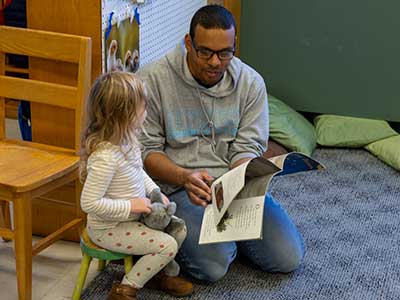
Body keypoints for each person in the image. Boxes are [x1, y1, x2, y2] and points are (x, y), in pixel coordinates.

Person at [137, 5, 304, 282]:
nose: (215, 62)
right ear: (188, 43)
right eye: (205, 52)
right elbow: (146, 152)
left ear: (235, 46)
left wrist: (243, 175)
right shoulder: (152, 80)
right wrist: (184, 176)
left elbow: (247, 147)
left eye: (225, 53)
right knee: (212, 268)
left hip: (232, 188)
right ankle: (211, 239)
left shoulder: (250, 83)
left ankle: (225, 237)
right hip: (179, 188)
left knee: (287, 257)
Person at [79, 72, 193, 300]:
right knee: (168, 245)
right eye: (143, 107)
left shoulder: (128, 139)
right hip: (109, 228)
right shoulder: (105, 157)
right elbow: (89, 203)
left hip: (133, 217)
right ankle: (124, 290)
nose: (146, 111)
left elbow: (138, 171)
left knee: (178, 228)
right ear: (123, 115)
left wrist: (155, 192)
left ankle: (159, 274)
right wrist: (132, 205)